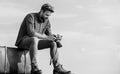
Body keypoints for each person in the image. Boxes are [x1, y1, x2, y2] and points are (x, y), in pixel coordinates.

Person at [15, 3, 72, 74]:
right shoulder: (30, 16)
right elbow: (31, 33)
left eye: (49, 15)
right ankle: (34, 67)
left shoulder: (47, 21)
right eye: (46, 15)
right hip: (23, 42)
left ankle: (57, 68)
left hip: (34, 44)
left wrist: (55, 38)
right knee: (34, 38)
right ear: (41, 11)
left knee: (53, 43)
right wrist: (47, 37)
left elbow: (50, 35)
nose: (47, 17)